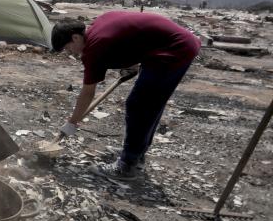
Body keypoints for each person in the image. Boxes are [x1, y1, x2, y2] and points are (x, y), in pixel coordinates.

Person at [52, 11, 201, 181]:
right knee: (149, 104)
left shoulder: (95, 48)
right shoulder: (97, 26)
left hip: (174, 50)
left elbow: (88, 93)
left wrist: (72, 122)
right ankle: (137, 153)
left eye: (67, 47)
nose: (69, 52)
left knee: (140, 105)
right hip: (169, 45)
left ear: (76, 38)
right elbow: (132, 36)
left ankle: (128, 165)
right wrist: (131, 62)